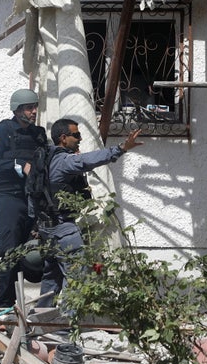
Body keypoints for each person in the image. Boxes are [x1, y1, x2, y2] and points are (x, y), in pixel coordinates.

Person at [34, 118, 144, 308]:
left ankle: (42, 323)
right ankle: (65, 328)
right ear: (63, 138)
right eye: (76, 135)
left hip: (46, 229)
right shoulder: (64, 161)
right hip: (64, 229)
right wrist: (121, 148)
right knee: (77, 276)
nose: (80, 139)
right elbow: (87, 160)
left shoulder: (46, 158)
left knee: (52, 278)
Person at [0, 88, 48, 309]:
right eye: (29, 108)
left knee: (35, 252)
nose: (33, 112)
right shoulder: (3, 130)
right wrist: (19, 166)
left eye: (35, 107)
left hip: (33, 199)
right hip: (10, 198)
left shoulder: (38, 134)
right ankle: (4, 305)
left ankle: (44, 305)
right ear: (18, 109)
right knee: (10, 252)